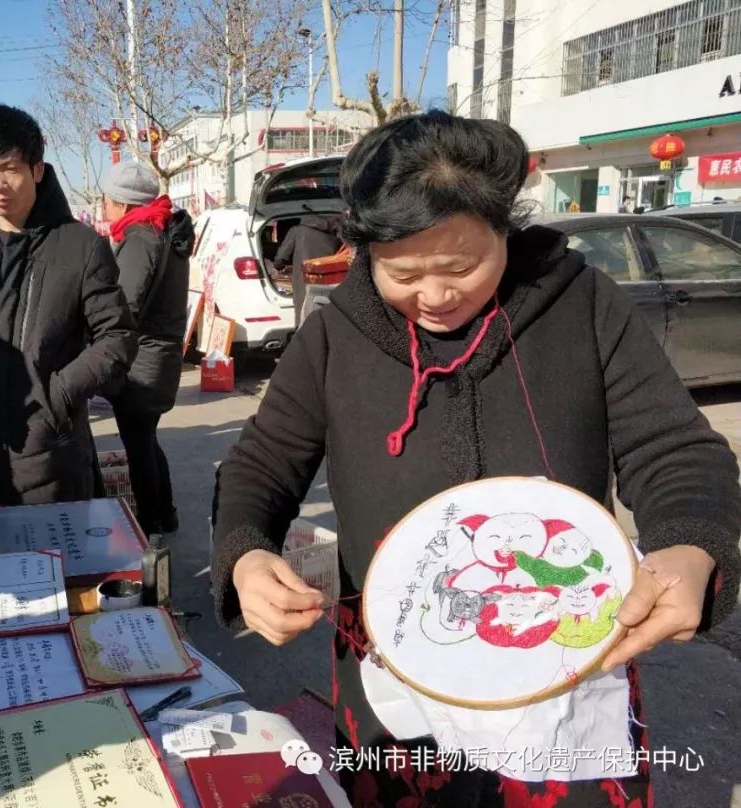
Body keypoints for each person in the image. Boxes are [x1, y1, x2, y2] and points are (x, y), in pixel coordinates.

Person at [210, 111, 741, 807]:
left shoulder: (581, 304)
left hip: (564, 674)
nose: (434, 295)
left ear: (504, 229)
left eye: (461, 267)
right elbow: (261, 464)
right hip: (395, 680)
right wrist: (247, 555)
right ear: (366, 250)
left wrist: (693, 545)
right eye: (403, 272)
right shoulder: (335, 337)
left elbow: (672, 447)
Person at [0, 105, 137, 522]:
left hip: (49, 455)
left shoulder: (79, 245)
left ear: (37, 169)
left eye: (9, 168)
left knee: (52, 573)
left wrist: (56, 396)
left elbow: (117, 337)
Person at [101, 161, 194, 536]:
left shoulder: (141, 237)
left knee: (138, 444)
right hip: (160, 354)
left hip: (144, 357)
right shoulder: (163, 229)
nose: (104, 207)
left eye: (106, 200)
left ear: (122, 204)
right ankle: (164, 513)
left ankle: (151, 521)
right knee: (146, 439)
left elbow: (127, 306)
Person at [274, 213, 342, 326]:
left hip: (303, 282)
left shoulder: (297, 231)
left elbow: (281, 259)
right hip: (328, 283)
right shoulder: (333, 238)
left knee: (302, 315)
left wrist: (279, 267)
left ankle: (303, 340)